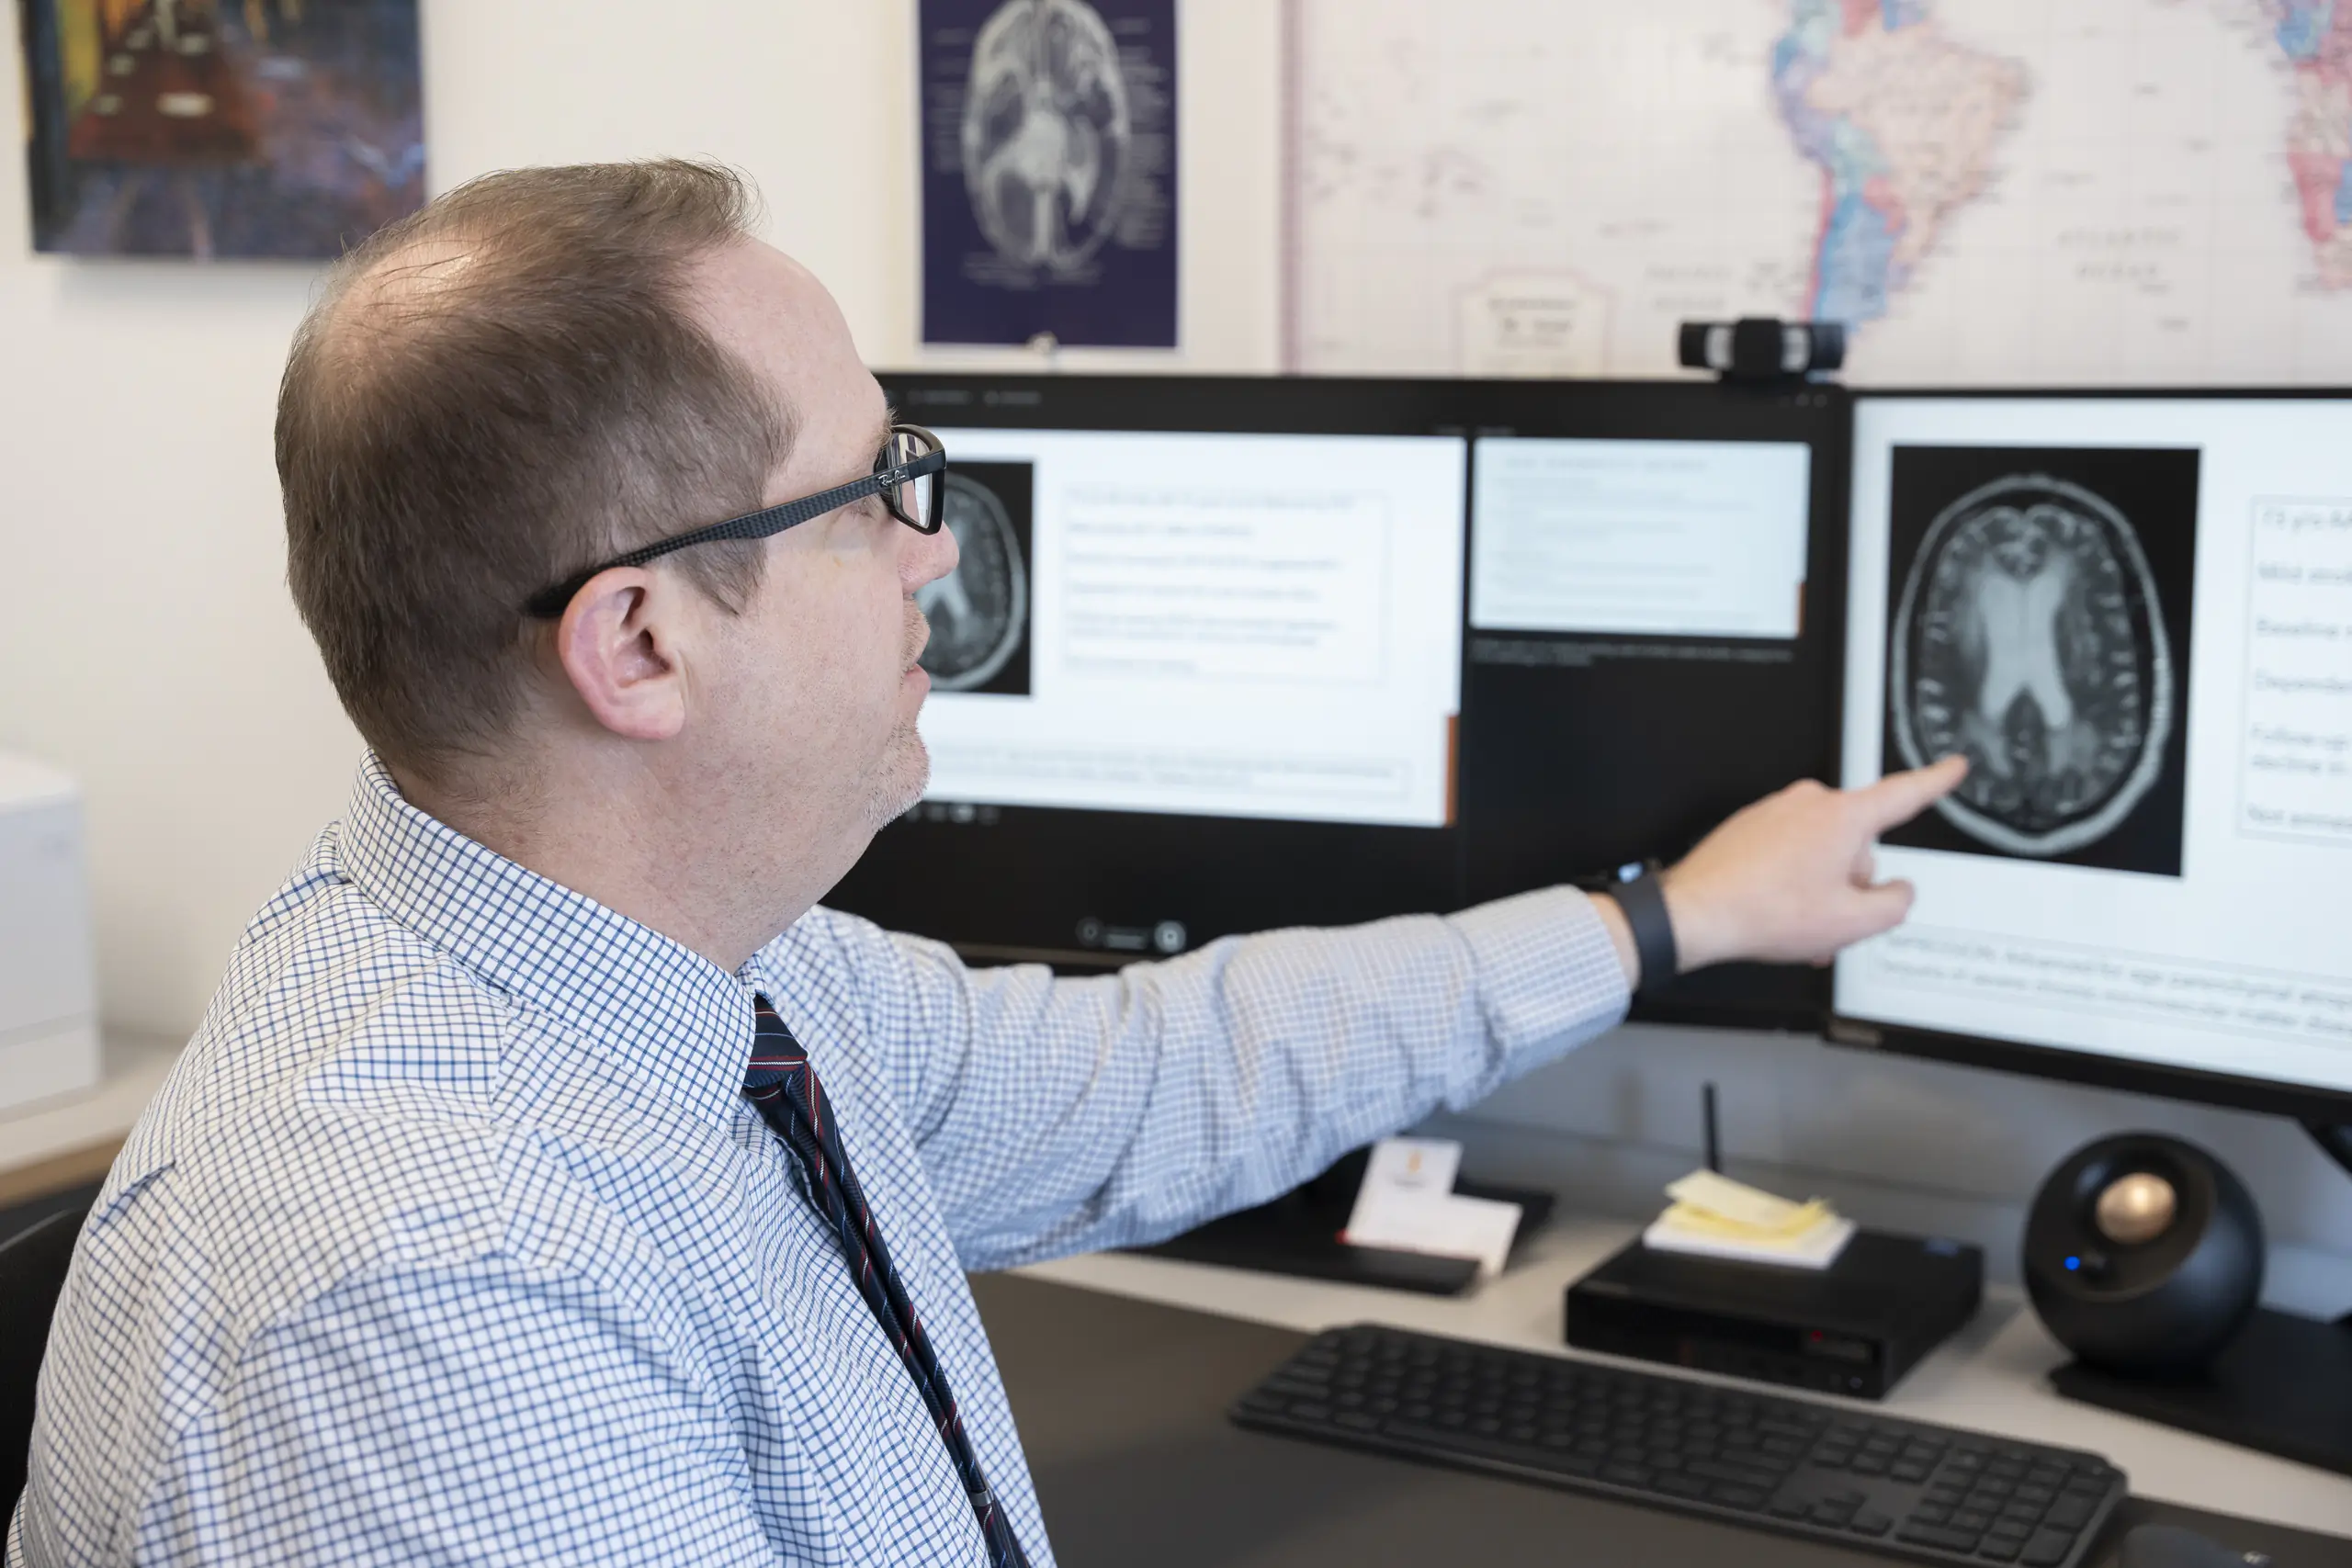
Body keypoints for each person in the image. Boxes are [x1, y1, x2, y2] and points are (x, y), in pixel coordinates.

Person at [8, 161, 1962, 1567]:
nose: (938, 551)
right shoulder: (430, 1302)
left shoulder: (716, 978)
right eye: (879, 494)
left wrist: (1666, 918)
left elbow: (1156, 1070)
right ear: (639, 646)